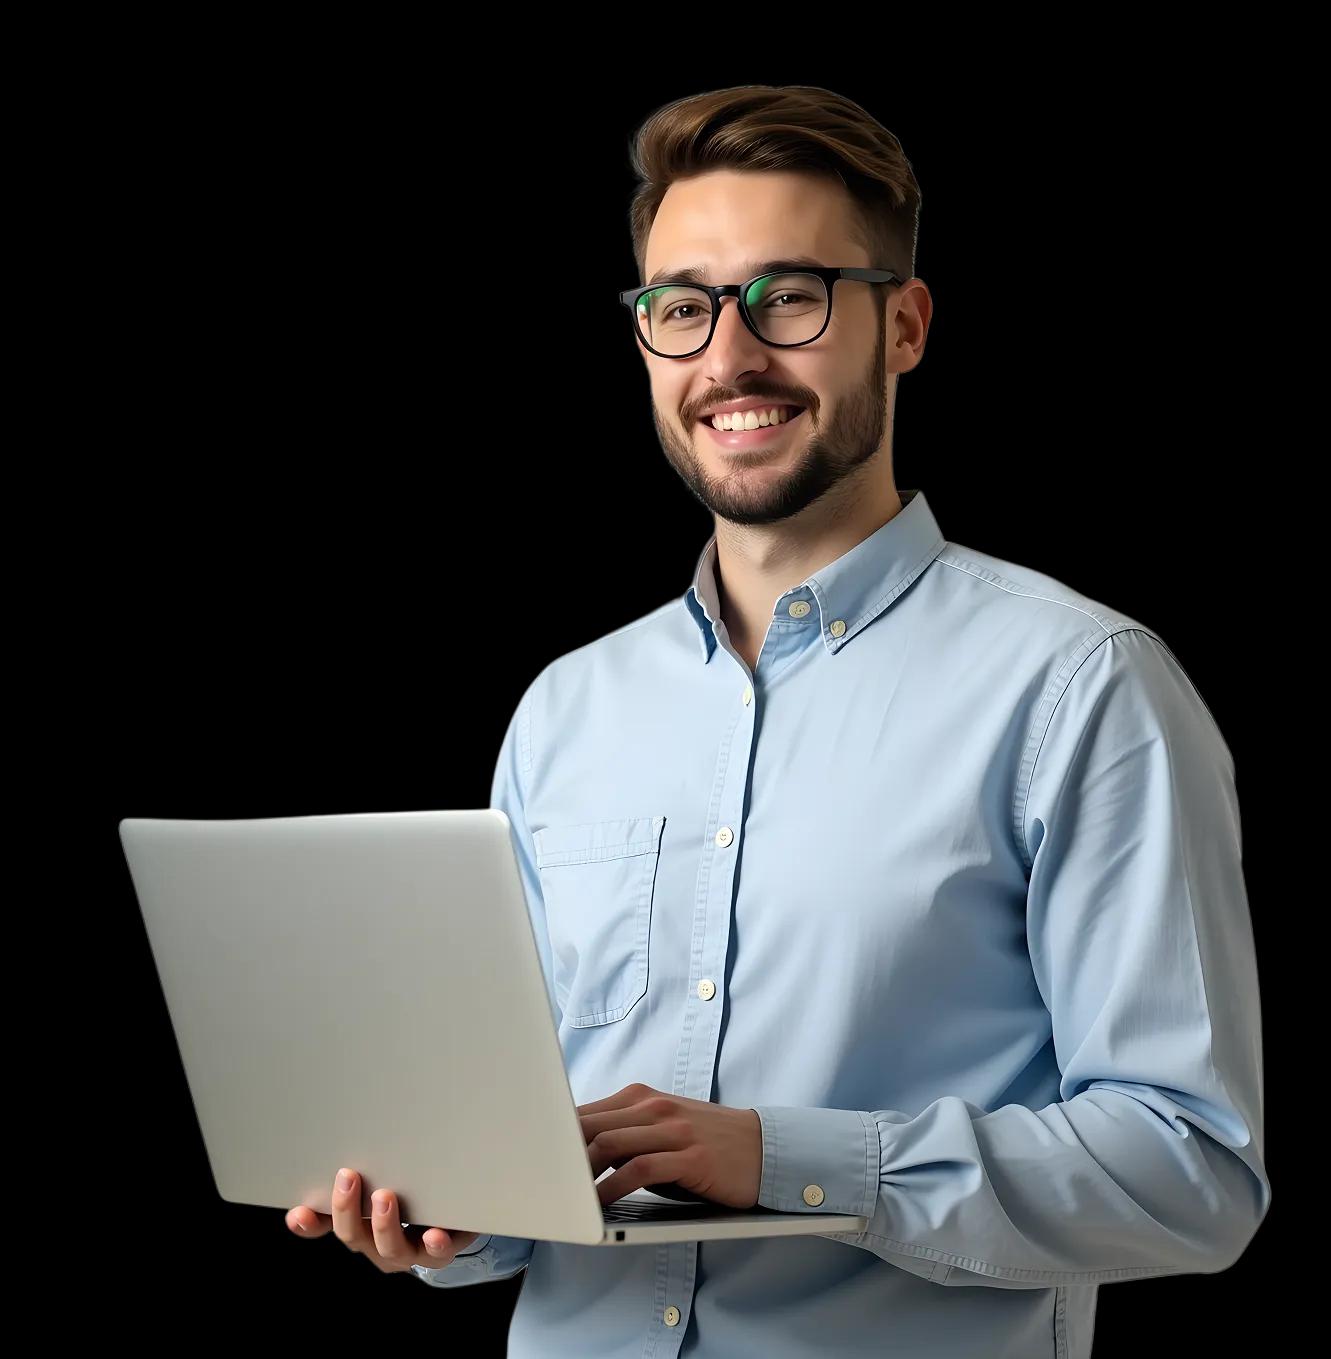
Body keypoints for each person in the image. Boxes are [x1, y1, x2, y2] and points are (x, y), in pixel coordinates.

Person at [285, 83, 1271, 1357]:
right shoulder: (563, 711)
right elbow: (534, 1174)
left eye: (787, 297)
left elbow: (1191, 1174)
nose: (729, 358)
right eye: (680, 308)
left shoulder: (1079, 685)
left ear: (903, 325)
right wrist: (446, 1218)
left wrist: (788, 1157)